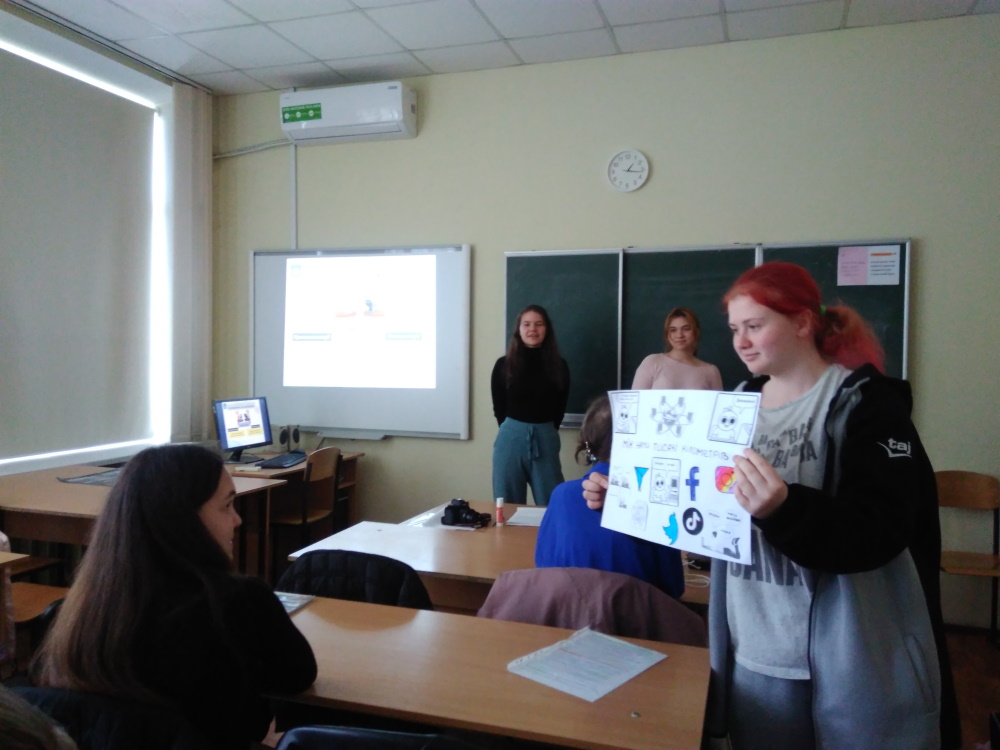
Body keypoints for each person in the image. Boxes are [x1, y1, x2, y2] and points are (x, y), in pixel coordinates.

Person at [583, 262, 959, 750]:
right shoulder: (737, 405)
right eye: (734, 329)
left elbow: (881, 530)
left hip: (856, 661)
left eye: (754, 326)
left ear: (802, 322)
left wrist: (784, 509)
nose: (740, 342)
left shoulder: (865, 405)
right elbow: (701, 510)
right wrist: (627, 496)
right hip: (756, 652)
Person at [31, 444, 318, 750]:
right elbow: (297, 676)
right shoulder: (241, 600)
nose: (237, 520)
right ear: (183, 520)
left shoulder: (78, 613)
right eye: (226, 506)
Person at [535, 394, 685, 599]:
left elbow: (543, 567)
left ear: (588, 444)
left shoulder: (561, 496)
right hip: (635, 618)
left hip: (569, 615)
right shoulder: (655, 505)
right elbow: (673, 588)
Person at [491, 304, 570, 506]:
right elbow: (499, 408)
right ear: (519, 329)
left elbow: (560, 407)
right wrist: (516, 430)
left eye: (538, 324)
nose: (532, 329)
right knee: (506, 502)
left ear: (546, 329)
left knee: (550, 502)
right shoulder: (503, 365)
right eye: (526, 324)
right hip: (510, 438)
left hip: (546, 437)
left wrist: (544, 431)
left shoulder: (559, 365)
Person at [631, 306, 723, 390]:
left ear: (696, 332)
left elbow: (717, 403)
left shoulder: (711, 372)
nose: (679, 335)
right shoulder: (652, 362)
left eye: (686, 329)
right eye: (673, 330)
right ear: (667, 334)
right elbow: (636, 400)